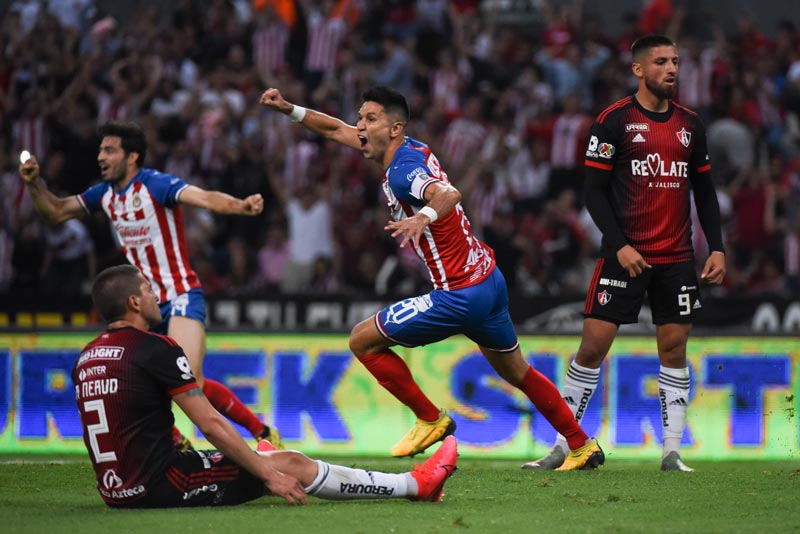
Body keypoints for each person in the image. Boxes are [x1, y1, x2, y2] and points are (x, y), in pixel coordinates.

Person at [260, 85, 604, 470]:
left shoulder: (405, 171)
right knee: (518, 371)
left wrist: (422, 217)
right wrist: (290, 108)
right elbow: (334, 130)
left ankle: (430, 418)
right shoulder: (408, 149)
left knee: (362, 341)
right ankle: (580, 444)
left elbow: (448, 193)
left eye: (369, 119)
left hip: (460, 295)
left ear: (394, 128)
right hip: (488, 279)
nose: (359, 126)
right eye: (360, 117)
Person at [73, 264, 458, 508]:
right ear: (133, 302)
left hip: (115, 489)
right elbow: (209, 422)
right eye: (147, 288)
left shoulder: (87, 356)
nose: (156, 293)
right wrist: (266, 472)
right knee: (289, 462)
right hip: (159, 485)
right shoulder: (155, 348)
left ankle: (260, 452)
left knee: (255, 455)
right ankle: (414, 484)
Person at [523, 35, 727, 473]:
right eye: (660, 62)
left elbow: (705, 193)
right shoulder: (613, 121)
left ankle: (672, 452)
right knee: (592, 348)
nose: (671, 69)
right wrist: (620, 245)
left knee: (673, 349)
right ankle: (565, 447)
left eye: (675, 61)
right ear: (638, 70)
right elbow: (593, 193)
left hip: (676, 259)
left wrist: (719, 248)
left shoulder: (691, 125)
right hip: (623, 256)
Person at [18, 121, 282, 449]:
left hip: (181, 293)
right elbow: (56, 212)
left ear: (132, 157)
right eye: (101, 149)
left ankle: (264, 434)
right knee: (139, 381)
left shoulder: (155, 185)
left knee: (189, 378)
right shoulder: (104, 195)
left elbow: (203, 197)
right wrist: (33, 185)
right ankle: (179, 444)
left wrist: (239, 206)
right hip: (144, 304)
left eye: (109, 150)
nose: (101, 156)